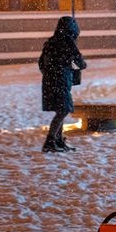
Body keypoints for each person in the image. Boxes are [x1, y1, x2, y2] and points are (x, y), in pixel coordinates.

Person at [38, 16, 87, 152]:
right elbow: (79, 61)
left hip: (50, 82)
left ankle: (58, 141)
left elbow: (41, 63)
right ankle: (50, 141)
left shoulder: (50, 43)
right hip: (61, 81)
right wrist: (80, 66)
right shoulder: (67, 42)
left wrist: (49, 73)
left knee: (60, 110)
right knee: (63, 110)